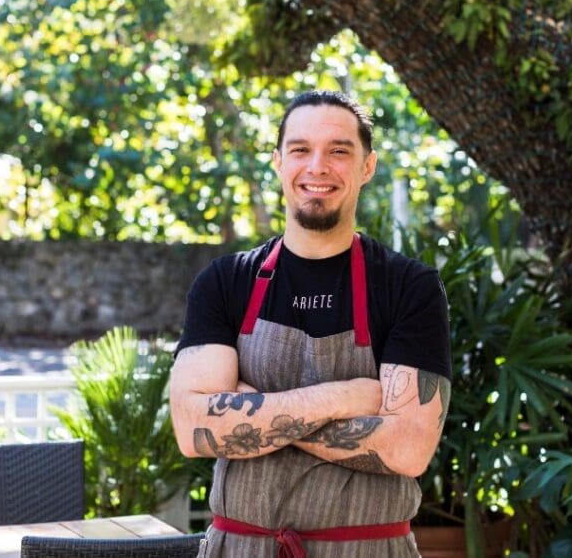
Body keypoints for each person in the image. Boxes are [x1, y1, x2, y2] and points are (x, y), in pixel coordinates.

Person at [170, 90, 452, 557]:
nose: (317, 166)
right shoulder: (224, 283)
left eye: (339, 151)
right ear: (278, 162)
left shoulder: (409, 287)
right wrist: (347, 397)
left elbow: (408, 449)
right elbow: (193, 428)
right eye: (301, 150)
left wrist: (250, 409)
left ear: (367, 167)